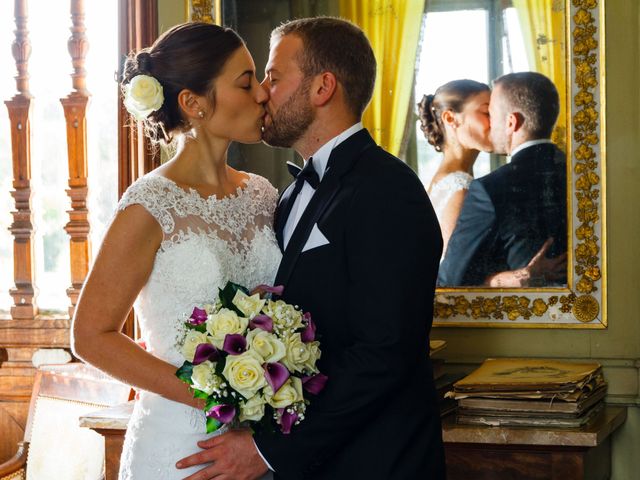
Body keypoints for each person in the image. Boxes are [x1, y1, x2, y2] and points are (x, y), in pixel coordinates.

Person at [176, 16, 446, 480]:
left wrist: (268, 452)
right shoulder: (286, 194)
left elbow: (386, 351)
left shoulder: (387, 189)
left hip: (375, 463)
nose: (262, 92)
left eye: (274, 78)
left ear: (323, 88)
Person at [71, 22, 278, 479]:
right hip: (181, 448)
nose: (262, 94)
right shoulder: (150, 204)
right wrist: (214, 395)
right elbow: (89, 335)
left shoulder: (263, 195)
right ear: (194, 103)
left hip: (260, 448)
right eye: (246, 83)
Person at [438, 71, 567, 287]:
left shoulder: (490, 189)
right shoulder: (586, 176)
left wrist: (509, 279)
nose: (489, 124)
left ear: (511, 123)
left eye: (491, 113)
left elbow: (450, 282)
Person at [418, 79, 491, 256]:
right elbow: (451, 273)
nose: (496, 121)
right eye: (487, 112)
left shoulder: (446, 181)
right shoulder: (461, 189)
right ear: (450, 118)